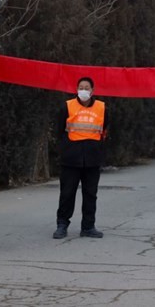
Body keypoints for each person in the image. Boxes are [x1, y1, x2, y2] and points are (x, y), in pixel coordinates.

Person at [53, 76, 108, 239]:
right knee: (67, 193)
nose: (83, 90)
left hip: (92, 158)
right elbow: (59, 130)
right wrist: (66, 148)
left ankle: (88, 226)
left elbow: (104, 130)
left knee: (90, 194)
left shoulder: (102, 108)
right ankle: (62, 224)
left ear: (93, 90)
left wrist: (98, 150)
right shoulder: (67, 106)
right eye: (80, 87)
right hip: (71, 158)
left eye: (86, 87)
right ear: (76, 89)